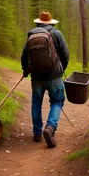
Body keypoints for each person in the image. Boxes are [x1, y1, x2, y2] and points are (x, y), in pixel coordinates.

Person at [21, 12, 69, 148]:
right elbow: (65, 53)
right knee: (57, 101)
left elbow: (24, 56)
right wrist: (61, 69)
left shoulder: (31, 36)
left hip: (36, 77)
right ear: (51, 23)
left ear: (38, 23)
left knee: (36, 103)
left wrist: (25, 70)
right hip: (54, 76)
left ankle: (37, 134)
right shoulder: (57, 34)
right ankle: (50, 127)